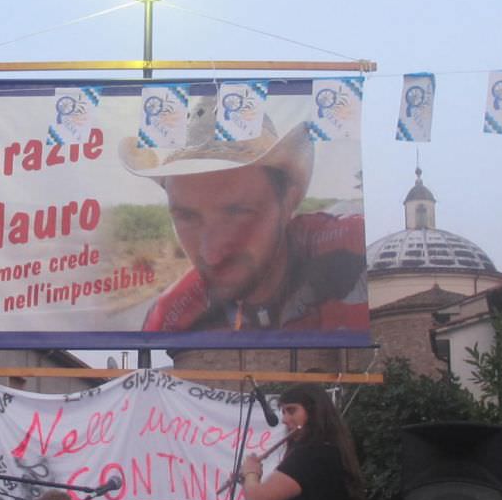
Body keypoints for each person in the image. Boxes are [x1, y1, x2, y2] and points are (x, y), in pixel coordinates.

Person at [120, 95, 366, 335]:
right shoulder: (170, 319)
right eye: (188, 218)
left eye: (237, 213)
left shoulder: (354, 253)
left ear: (288, 201)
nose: (212, 255)